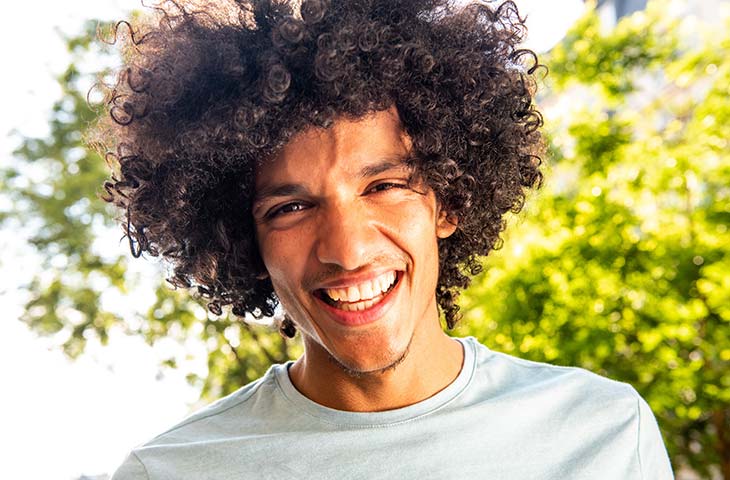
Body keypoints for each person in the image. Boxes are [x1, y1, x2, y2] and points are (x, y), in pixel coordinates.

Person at [99, 0, 673, 478]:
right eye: (291, 207)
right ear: (244, 243)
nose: (347, 250)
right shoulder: (169, 473)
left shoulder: (605, 434)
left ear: (447, 199)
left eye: (383, 185)